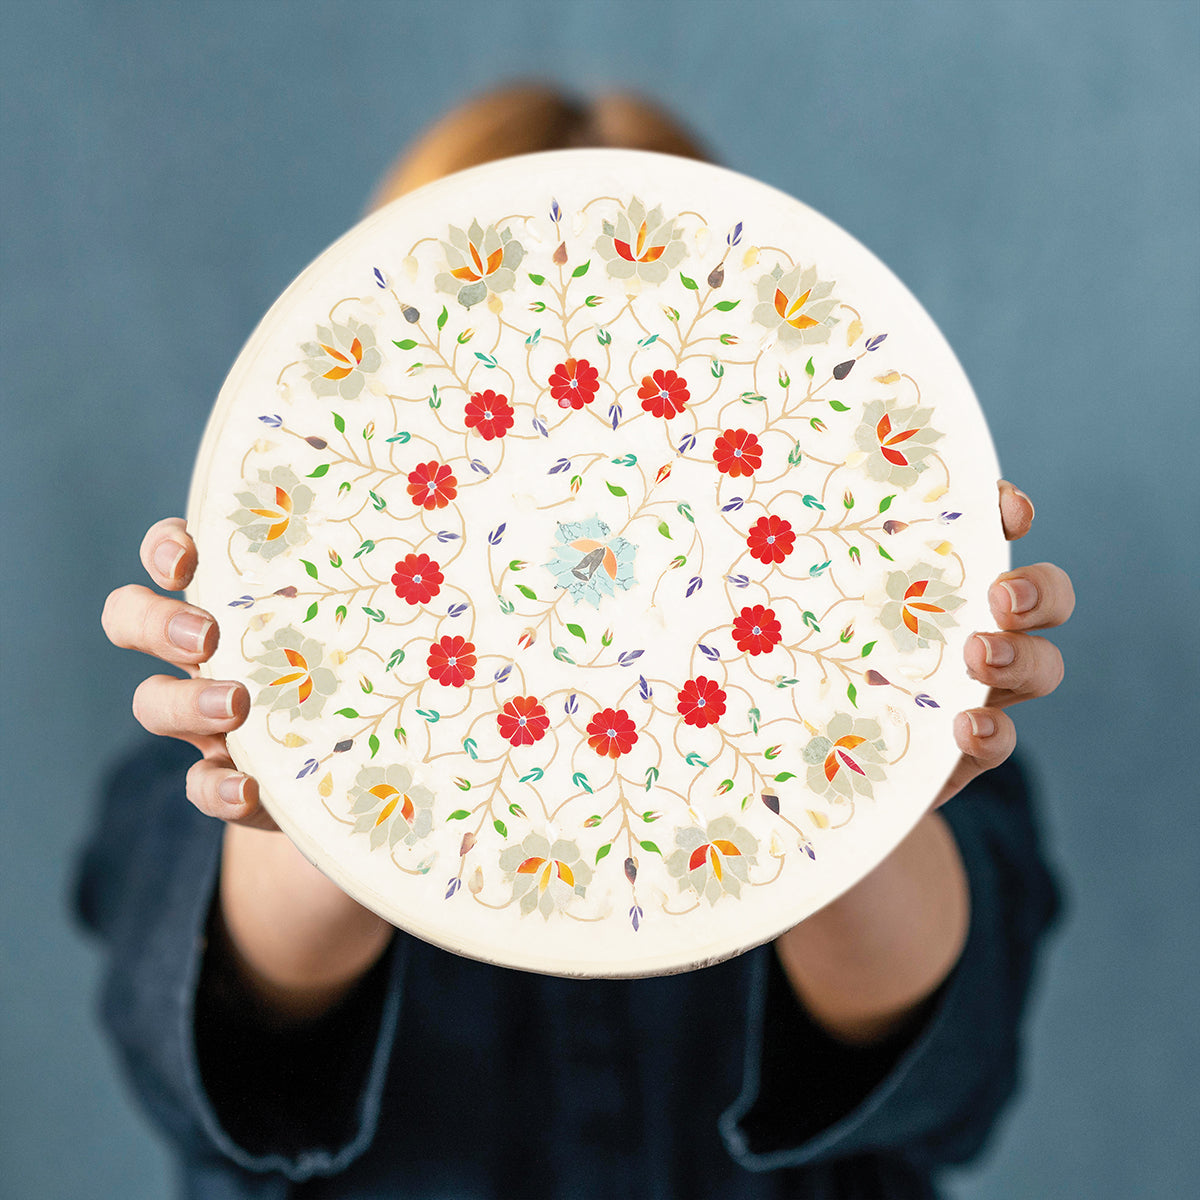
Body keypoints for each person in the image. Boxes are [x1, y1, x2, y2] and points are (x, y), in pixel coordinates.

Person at [81, 85, 1073, 1199]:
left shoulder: (916, 717)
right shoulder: (222, 736)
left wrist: (863, 779)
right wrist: (316, 784)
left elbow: (946, 1068)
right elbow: (210, 1055)